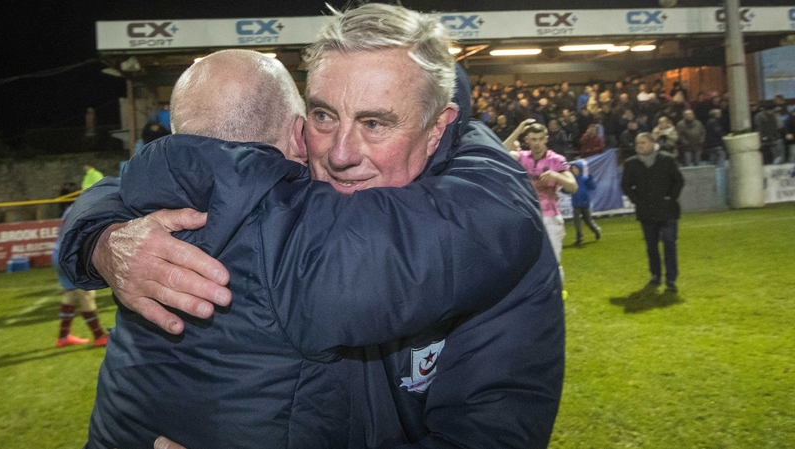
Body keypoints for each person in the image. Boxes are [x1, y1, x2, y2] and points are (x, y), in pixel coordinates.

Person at [58, 5, 564, 448]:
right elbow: (177, 169)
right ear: (299, 126)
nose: (340, 154)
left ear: (437, 127)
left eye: (375, 123)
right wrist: (101, 243)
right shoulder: (287, 185)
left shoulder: (501, 250)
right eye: (324, 115)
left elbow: (486, 437)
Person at [508, 123, 578, 284]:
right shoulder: (522, 157)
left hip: (550, 217)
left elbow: (573, 186)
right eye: (533, 139)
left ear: (546, 139)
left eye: (540, 139)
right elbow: (499, 150)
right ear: (527, 140)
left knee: (553, 261)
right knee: (526, 263)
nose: (537, 143)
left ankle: (557, 295)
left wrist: (556, 176)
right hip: (527, 217)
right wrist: (519, 127)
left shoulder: (556, 160)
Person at [621, 132, 684, 292]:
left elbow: (679, 180)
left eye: (642, 143)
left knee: (669, 243)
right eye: (637, 143)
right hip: (646, 212)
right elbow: (626, 186)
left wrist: (671, 196)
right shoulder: (631, 163)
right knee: (651, 246)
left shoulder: (667, 159)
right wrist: (638, 200)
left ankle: (671, 278)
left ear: (652, 143)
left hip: (667, 210)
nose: (639, 146)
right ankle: (656, 274)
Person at [53, 182, 108, 348]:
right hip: (70, 257)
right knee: (86, 294)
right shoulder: (79, 209)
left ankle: (63, 337)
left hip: (58, 255)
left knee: (70, 294)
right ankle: (99, 335)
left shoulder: (67, 212)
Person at [569, 162, 601, 247]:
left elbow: (593, 187)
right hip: (576, 204)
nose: (574, 170)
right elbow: (568, 190)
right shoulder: (571, 179)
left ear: (579, 169)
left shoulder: (585, 178)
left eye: (575, 168)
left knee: (588, 221)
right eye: (572, 168)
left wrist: (590, 179)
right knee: (577, 223)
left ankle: (596, 231)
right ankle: (579, 240)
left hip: (585, 203)